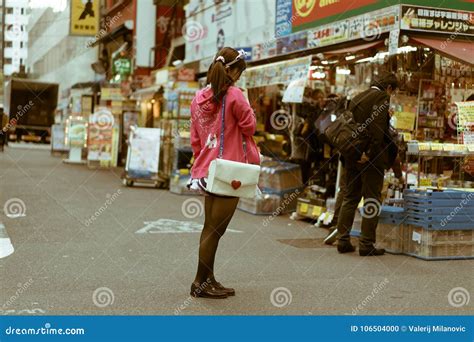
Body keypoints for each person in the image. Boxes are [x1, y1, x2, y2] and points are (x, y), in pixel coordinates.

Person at [188, 47, 260, 299]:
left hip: (207, 170)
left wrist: (201, 161)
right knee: (215, 230)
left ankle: (208, 278)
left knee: (210, 227)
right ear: (233, 70)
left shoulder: (198, 98)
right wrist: (248, 104)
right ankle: (199, 282)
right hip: (231, 171)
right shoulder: (235, 95)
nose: (239, 76)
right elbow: (249, 127)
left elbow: (195, 139)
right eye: (239, 71)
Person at [336, 71, 399, 256]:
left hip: (352, 154)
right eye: (393, 92)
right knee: (371, 198)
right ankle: (366, 244)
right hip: (371, 158)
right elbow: (377, 130)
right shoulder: (381, 97)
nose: (391, 96)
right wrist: (369, 153)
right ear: (388, 88)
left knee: (350, 197)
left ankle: (343, 240)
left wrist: (357, 152)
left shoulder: (358, 97)